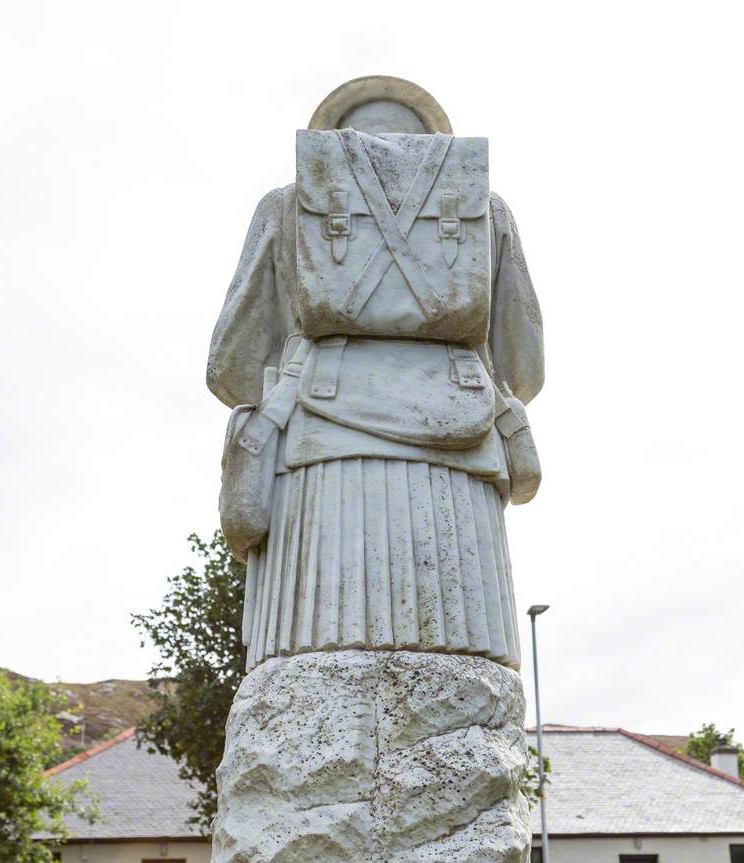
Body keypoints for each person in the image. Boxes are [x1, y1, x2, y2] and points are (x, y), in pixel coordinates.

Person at [208, 77, 544, 672]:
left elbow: (230, 362)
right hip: (459, 461)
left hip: (318, 464)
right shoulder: (485, 211)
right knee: (466, 669)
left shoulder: (286, 206)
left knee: (308, 667)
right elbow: (524, 365)